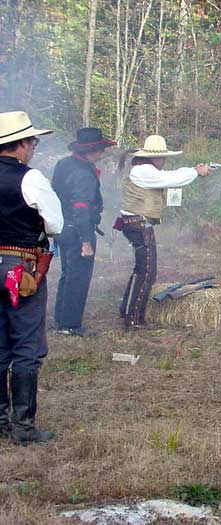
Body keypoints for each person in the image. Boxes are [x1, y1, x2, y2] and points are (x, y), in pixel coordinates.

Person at [0, 111, 63, 444]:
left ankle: (1, 421)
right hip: (20, 268)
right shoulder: (31, 178)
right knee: (26, 346)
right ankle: (23, 427)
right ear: (21, 145)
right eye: (32, 142)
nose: (34, 148)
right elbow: (55, 225)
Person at [118, 135, 212, 329]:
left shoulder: (143, 169)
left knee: (141, 271)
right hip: (139, 226)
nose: (163, 161)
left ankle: (127, 311)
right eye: (162, 157)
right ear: (154, 157)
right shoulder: (143, 170)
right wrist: (195, 171)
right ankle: (134, 319)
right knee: (147, 273)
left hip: (137, 224)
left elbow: (170, 175)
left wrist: (193, 171)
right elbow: (170, 178)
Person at [52, 128, 116, 337]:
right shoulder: (83, 174)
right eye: (100, 150)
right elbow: (80, 208)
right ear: (92, 150)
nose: (102, 154)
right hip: (78, 230)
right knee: (78, 278)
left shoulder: (64, 164)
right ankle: (70, 325)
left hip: (63, 227)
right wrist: (86, 241)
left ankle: (61, 320)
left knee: (68, 275)